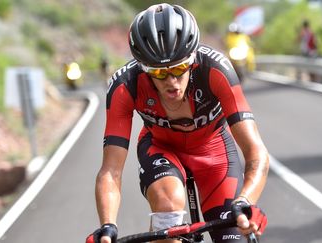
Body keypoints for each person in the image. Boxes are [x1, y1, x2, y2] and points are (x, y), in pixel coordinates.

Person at [86, 3, 269, 243]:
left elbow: (256, 153)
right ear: (143, 68)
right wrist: (107, 224)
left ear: (192, 59)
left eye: (180, 68)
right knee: (168, 203)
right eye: (159, 73)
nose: (171, 81)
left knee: (233, 237)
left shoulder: (215, 69)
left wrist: (246, 201)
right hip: (162, 148)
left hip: (214, 151)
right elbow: (111, 169)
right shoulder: (125, 85)